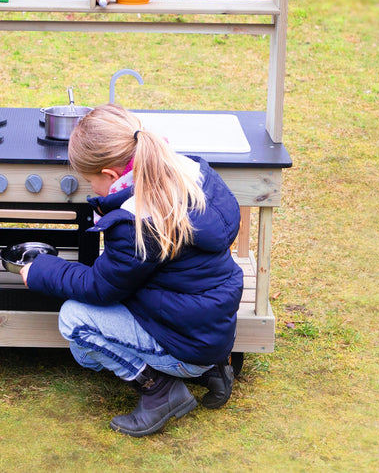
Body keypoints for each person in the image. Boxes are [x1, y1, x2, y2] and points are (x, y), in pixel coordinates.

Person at [21, 103, 243, 437]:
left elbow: (100, 288)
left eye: (90, 180)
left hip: (186, 340)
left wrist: (40, 270)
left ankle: (160, 391)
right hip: (208, 328)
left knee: (75, 325)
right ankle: (211, 369)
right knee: (95, 333)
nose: (91, 188)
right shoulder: (189, 172)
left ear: (111, 175)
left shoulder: (137, 218)